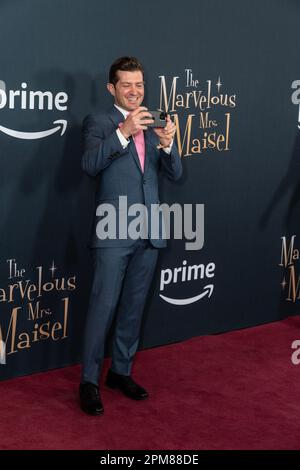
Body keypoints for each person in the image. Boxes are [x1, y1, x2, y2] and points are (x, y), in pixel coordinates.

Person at [80, 56, 182, 415]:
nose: (135, 91)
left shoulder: (154, 122)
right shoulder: (100, 122)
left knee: (133, 309)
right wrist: (123, 131)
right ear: (112, 88)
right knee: (102, 308)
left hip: (150, 231)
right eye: (127, 85)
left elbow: (175, 172)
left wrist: (169, 144)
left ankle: (120, 372)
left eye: (139, 84)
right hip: (113, 230)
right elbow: (90, 165)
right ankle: (90, 381)